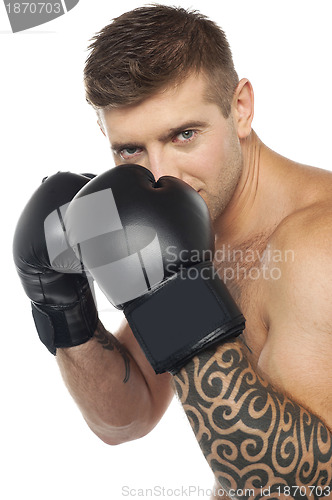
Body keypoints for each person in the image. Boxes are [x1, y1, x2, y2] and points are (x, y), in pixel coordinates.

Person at [13, 5, 332, 499]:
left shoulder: (316, 246)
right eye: (130, 150)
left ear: (241, 107)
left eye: (184, 135)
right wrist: (61, 306)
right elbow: (124, 419)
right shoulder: (188, 226)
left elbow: (294, 485)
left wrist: (176, 301)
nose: (162, 174)